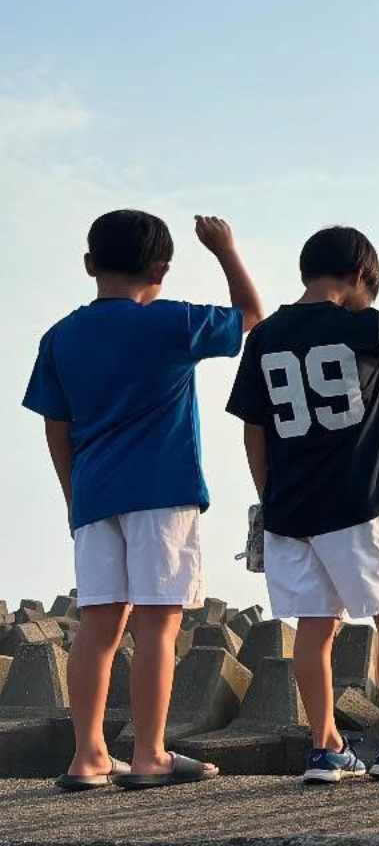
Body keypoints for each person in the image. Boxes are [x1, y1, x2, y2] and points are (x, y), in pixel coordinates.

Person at [24, 210, 263, 791]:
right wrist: (225, 250)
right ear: (161, 270)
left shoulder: (60, 337)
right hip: (163, 491)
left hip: (93, 496)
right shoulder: (172, 322)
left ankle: (88, 755)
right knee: (158, 625)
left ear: (89, 264)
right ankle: (150, 754)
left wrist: (73, 497)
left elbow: (56, 426)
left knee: (97, 627)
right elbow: (252, 317)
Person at [227, 227, 379, 784]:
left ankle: (325, 747)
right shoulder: (362, 325)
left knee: (315, 626)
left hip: (290, 507)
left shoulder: (265, 336)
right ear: (359, 277)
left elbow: (254, 428)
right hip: (360, 497)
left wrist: (268, 497)